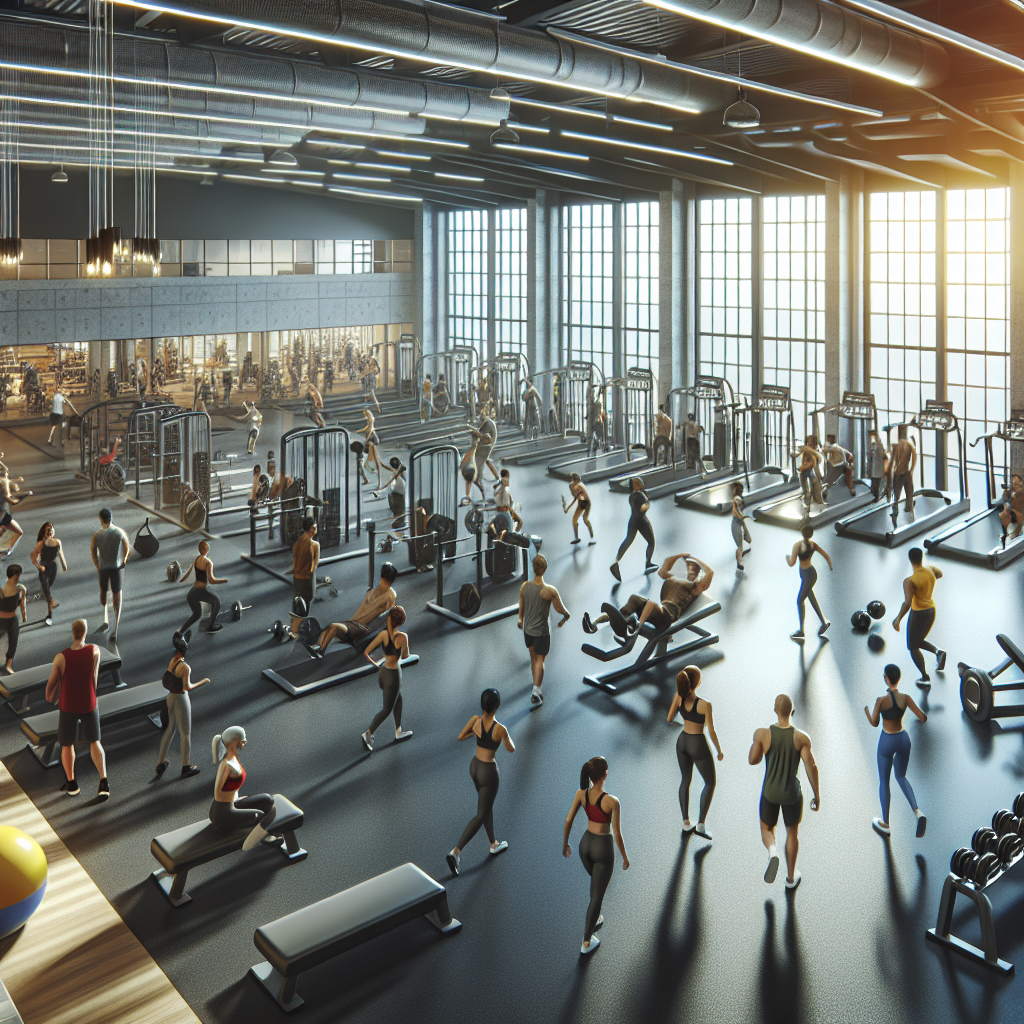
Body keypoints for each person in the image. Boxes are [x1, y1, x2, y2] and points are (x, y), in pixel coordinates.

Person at [749, 694, 820, 890]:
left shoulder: (763, 734)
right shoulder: (801, 738)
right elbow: (811, 766)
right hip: (792, 795)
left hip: (770, 793)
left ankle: (773, 852)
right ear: (792, 711)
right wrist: (816, 795)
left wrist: (756, 742)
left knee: (766, 830)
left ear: (775, 710)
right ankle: (790, 878)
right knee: (792, 833)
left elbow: (753, 760)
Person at [562, 756, 630, 955]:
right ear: (605, 774)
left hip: (585, 846)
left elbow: (568, 821)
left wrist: (565, 843)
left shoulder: (580, 794)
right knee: (597, 896)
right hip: (602, 848)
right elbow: (617, 833)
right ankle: (586, 941)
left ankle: (595, 916)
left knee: (596, 885)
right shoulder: (612, 801)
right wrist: (625, 858)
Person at [447, 688, 514, 876]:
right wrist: (506, 736)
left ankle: (493, 844)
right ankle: (456, 851)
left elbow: (461, 736)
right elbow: (511, 749)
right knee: (481, 813)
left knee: (486, 807)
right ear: (497, 706)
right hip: (488, 771)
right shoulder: (500, 728)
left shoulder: (475, 721)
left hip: (474, 766)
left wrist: (476, 734)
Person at [45, 619, 107, 799]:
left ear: (72, 633)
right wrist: (92, 697)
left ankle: (72, 783)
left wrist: (51, 699)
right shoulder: (95, 650)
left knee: (66, 744)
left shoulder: (61, 657)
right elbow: (94, 678)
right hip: (89, 702)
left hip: (68, 705)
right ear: (85, 632)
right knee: (95, 741)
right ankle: (103, 782)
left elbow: (51, 687)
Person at [585, 552, 713, 640]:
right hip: (657, 613)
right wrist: (682, 555)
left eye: (694, 570)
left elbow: (710, 572)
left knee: (650, 604)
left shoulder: (695, 589)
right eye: (690, 568)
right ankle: (594, 623)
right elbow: (665, 566)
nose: (691, 571)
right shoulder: (675, 580)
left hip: (666, 618)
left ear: (697, 573)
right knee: (633, 599)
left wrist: (695, 559)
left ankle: (635, 629)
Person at [864, 663, 927, 839]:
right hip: (903, 738)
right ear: (898, 678)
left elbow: (875, 722)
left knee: (884, 782)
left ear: (886, 678)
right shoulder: (905, 698)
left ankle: (885, 823)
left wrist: (867, 713)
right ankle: (917, 811)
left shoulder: (881, 701)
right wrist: (918, 722)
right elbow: (923, 717)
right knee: (901, 777)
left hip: (887, 741)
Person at [668, 666, 723, 841]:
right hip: (697, 743)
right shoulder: (704, 704)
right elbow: (712, 731)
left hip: (682, 741)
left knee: (685, 780)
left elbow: (669, 718)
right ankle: (701, 824)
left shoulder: (679, 697)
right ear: (698, 682)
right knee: (710, 782)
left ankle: (685, 822)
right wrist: (719, 750)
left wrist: (683, 720)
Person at [209, 726, 278, 850]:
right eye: (243, 740)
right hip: (222, 814)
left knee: (267, 800)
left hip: (231, 804)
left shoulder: (231, 758)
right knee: (260, 815)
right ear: (236, 742)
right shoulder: (228, 765)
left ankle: (267, 833)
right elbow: (218, 793)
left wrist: (237, 799)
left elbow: (229, 788)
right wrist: (235, 801)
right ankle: (261, 840)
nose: (245, 743)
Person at [518, 554, 570, 708]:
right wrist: (567, 615)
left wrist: (520, 619)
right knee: (540, 660)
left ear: (533, 569)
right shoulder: (549, 590)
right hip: (542, 632)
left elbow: (521, 604)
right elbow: (559, 608)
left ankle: (535, 684)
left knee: (534, 658)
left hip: (528, 630)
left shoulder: (525, 586)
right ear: (545, 569)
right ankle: (536, 691)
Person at [360, 606, 413, 751]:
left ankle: (399, 730)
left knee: (398, 698)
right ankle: (368, 733)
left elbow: (366, 653)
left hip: (383, 672)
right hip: (394, 676)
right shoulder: (402, 637)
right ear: (401, 622)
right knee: (387, 709)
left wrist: (377, 663)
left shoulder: (383, 635)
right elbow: (405, 656)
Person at [315, 562, 398, 655]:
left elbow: (388, 616)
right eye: (384, 580)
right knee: (326, 630)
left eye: (387, 582)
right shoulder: (372, 592)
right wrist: (350, 622)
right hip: (353, 624)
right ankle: (317, 647)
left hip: (362, 628)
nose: (385, 584)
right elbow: (362, 610)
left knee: (334, 627)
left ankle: (321, 650)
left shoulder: (390, 596)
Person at [892, 547, 946, 690]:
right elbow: (939, 574)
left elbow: (907, 603)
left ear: (910, 560)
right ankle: (938, 652)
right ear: (921, 557)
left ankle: (925, 677)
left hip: (919, 614)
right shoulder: (930, 570)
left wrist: (897, 619)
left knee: (913, 647)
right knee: (918, 640)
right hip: (931, 611)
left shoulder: (910, 581)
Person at [156, 632, 207, 779]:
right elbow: (187, 687)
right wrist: (203, 682)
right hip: (180, 698)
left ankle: (160, 763)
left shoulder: (173, 660)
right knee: (185, 733)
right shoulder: (185, 667)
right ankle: (186, 765)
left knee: (170, 729)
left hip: (170, 697)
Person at [90, 507, 129, 642]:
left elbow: (93, 551)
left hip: (105, 568)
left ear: (100, 519)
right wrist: (123, 560)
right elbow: (126, 547)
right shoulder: (119, 532)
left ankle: (107, 618)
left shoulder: (97, 535)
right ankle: (114, 628)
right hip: (116, 567)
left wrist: (97, 565)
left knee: (104, 592)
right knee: (116, 596)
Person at [786, 525, 832, 640]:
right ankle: (824, 622)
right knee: (811, 598)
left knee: (800, 600)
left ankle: (801, 630)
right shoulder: (813, 545)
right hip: (809, 574)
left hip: (808, 576)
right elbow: (825, 554)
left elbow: (791, 563)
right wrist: (830, 565)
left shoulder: (797, 545)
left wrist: (787, 558)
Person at [177, 540, 228, 635]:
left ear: (199, 550)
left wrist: (181, 579)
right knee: (216, 602)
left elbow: (188, 572)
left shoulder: (197, 560)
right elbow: (212, 580)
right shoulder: (208, 562)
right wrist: (224, 580)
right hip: (199, 591)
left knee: (196, 614)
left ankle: (180, 632)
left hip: (191, 593)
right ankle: (210, 627)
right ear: (207, 550)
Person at [610, 477, 655, 582]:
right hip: (642, 521)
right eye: (637, 483)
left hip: (633, 521)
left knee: (628, 540)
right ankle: (648, 563)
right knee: (651, 542)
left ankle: (616, 561)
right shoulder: (641, 495)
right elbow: (644, 507)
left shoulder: (632, 496)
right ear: (635, 486)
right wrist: (647, 504)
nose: (640, 483)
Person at [30, 521, 66, 626]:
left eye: (51, 531)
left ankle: (47, 597)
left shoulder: (57, 542)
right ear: (44, 533)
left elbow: (60, 553)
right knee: (46, 587)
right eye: (47, 531)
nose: (50, 533)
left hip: (52, 567)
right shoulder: (40, 544)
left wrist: (64, 565)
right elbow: (33, 557)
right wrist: (39, 566)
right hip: (44, 568)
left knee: (48, 585)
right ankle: (49, 614)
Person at [289, 517, 319, 640]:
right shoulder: (314, 545)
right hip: (307, 579)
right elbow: (314, 565)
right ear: (312, 529)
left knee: (297, 604)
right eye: (315, 527)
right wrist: (311, 575)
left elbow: (295, 561)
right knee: (306, 605)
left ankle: (294, 629)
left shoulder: (297, 543)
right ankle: (303, 630)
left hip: (297, 578)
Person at [0, 564, 26, 674]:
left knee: (13, 643)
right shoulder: (1, 591)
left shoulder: (20, 589)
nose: (18, 579)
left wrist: (24, 616)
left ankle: (8, 665)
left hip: (13, 620)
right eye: (17, 576)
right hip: (1, 621)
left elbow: (22, 604)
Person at [889, 426, 916, 520]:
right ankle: (908, 507)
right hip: (905, 471)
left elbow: (892, 460)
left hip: (898, 472)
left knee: (898, 492)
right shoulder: (909, 444)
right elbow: (914, 458)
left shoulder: (897, 445)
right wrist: (911, 470)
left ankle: (897, 508)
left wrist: (891, 470)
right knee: (908, 492)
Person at [821, 433, 856, 498]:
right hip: (838, 465)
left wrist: (849, 454)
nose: (833, 439)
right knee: (832, 479)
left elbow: (840, 450)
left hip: (840, 464)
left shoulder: (834, 446)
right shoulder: (832, 446)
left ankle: (850, 488)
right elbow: (827, 451)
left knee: (833, 478)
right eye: (831, 438)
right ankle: (851, 489)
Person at [563, 473, 594, 544]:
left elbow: (583, 496)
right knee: (574, 520)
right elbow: (575, 498)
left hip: (586, 503)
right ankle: (576, 538)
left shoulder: (580, 486)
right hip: (580, 504)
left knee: (585, 519)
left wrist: (581, 497)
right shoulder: (573, 487)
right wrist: (567, 508)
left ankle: (592, 538)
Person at [357, 409, 382, 488]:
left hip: (372, 441)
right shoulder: (369, 421)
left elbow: (370, 430)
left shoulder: (370, 421)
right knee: (367, 461)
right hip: (370, 441)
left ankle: (376, 478)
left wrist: (366, 440)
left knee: (373, 460)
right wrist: (359, 431)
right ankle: (371, 472)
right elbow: (367, 428)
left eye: (365, 414)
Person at [794, 436, 822, 506]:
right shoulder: (807, 452)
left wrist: (801, 468)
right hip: (806, 473)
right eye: (808, 444)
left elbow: (811, 463)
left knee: (811, 490)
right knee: (806, 489)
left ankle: (810, 503)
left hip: (810, 473)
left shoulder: (813, 453)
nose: (808, 446)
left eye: (810, 445)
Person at [459, 433, 484, 505]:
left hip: (468, 468)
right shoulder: (474, 447)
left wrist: (460, 466)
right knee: (469, 483)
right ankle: (467, 497)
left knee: (468, 482)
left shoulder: (471, 448)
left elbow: (467, 457)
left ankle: (467, 497)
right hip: (471, 468)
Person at [999, 474, 1024, 546]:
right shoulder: (1013, 492)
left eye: (1014, 481)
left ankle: (1013, 533)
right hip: (1013, 512)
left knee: (1004, 516)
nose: (1012, 483)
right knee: (1002, 516)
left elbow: (1018, 507)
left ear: (1019, 482)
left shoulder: (1021, 493)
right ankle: (1005, 535)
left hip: (1018, 514)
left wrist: (1009, 507)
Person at [731, 481, 751, 571]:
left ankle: (740, 558)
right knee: (740, 546)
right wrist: (742, 516)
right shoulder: (736, 500)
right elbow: (736, 512)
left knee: (746, 541)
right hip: (737, 524)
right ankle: (739, 562)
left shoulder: (737, 499)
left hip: (739, 523)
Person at [867, 428, 889, 501]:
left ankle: (877, 497)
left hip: (877, 469)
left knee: (877, 484)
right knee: (874, 484)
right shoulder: (875, 446)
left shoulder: (879, 446)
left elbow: (882, 454)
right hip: (874, 470)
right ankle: (875, 496)